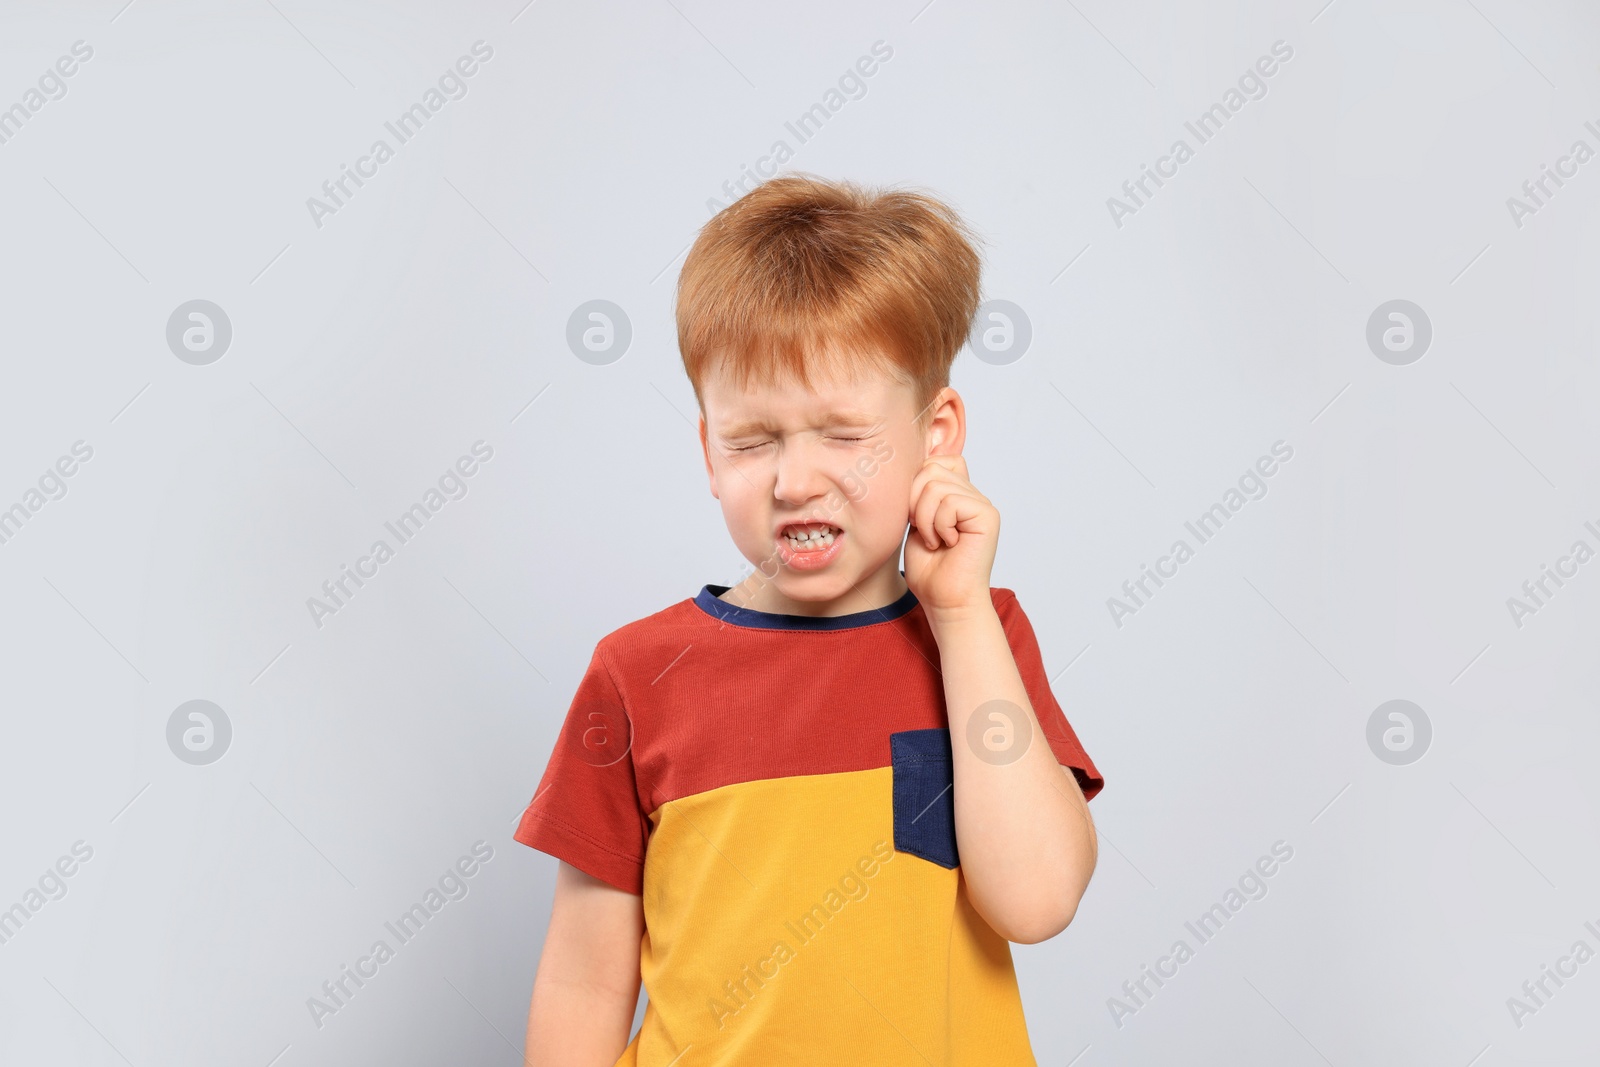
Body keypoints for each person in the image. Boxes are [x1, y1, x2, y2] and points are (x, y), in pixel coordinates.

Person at [517, 173, 1105, 1065]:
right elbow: (584, 978)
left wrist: (959, 616)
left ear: (936, 433)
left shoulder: (980, 635)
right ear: (708, 451)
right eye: (752, 441)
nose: (794, 480)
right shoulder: (636, 673)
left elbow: (1037, 899)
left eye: (842, 433)